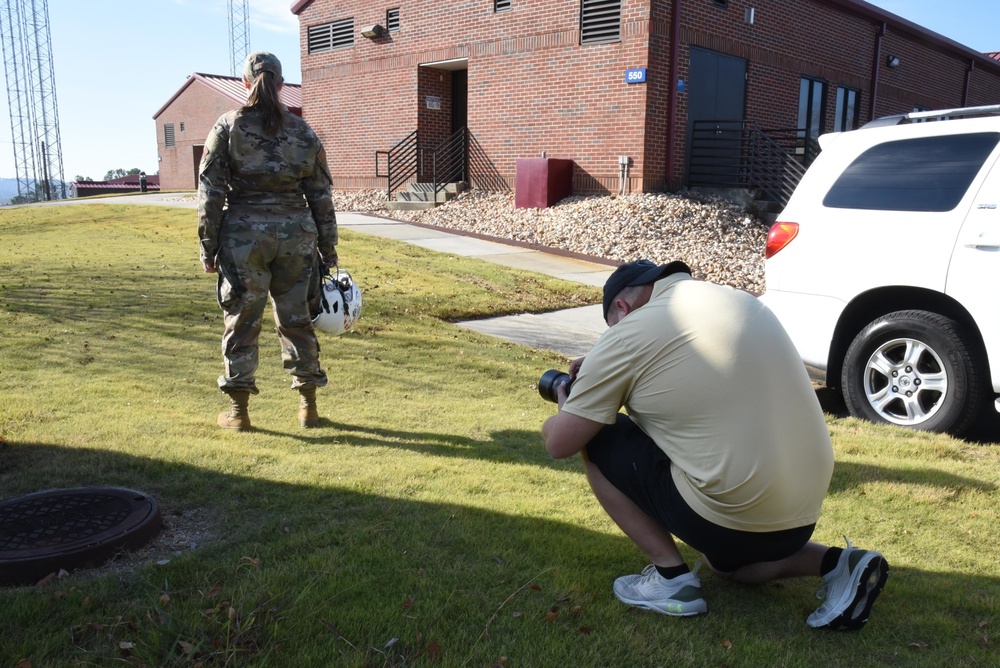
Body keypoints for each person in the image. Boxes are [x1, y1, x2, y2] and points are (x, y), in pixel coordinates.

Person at [541, 260, 888, 630]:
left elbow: (561, 442)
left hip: (728, 517)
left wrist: (568, 406)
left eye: (612, 327)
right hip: (800, 516)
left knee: (600, 436)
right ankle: (839, 564)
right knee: (723, 565)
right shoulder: (739, 301)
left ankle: (671, 581)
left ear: (622, 309)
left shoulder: (629, 333)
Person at [198, 51, 338, 431]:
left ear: (246, 83)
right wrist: (329, 249)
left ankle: (239, 413)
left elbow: (210, 194)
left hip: (244, 237)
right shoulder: (303, 131)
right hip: (297, 236)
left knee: (242, 321)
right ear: (279, 84)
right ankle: (308, 407)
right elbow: (321, 196)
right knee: (296, 321)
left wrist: (208, 247)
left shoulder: (227, 126)